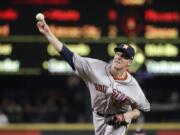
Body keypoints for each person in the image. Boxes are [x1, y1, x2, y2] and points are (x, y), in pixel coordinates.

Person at [36, 17, 150, 135]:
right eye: (118, 53)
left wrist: (125, 116)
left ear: (129, 63)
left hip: (120, 117)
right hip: (98, 116)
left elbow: (139, 110)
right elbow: (68, 55)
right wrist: (48, 33)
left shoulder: (132, 84)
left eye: (124, 56)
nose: (119, 57)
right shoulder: (95, 68)